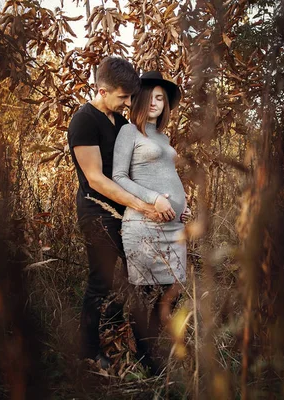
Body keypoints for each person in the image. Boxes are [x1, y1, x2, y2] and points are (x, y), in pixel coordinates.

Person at [67, 58, 175, 366]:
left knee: (142, 282)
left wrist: (159, 199)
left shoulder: (123, 125)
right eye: (123, 97)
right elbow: (96, 179)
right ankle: (87, 353)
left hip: (128, 214)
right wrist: (140, 205)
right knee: (100, 281)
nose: (129, 103)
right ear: (102, 90)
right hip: (97, 213)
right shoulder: (84, 121)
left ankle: (144, 353)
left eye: (131, 97)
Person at [112, 71, 190, 373]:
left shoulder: (163, 137)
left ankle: (165, 356)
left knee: (172, 292)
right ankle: (148, 365)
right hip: (144, 225)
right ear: (140, 99)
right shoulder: (129, 132)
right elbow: (119, 177)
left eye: (162, 98)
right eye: (152, 97)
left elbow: (168, 176)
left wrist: (181, 206)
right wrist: (154, 199)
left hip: (174, 227)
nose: (157, 102)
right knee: (145, 295)